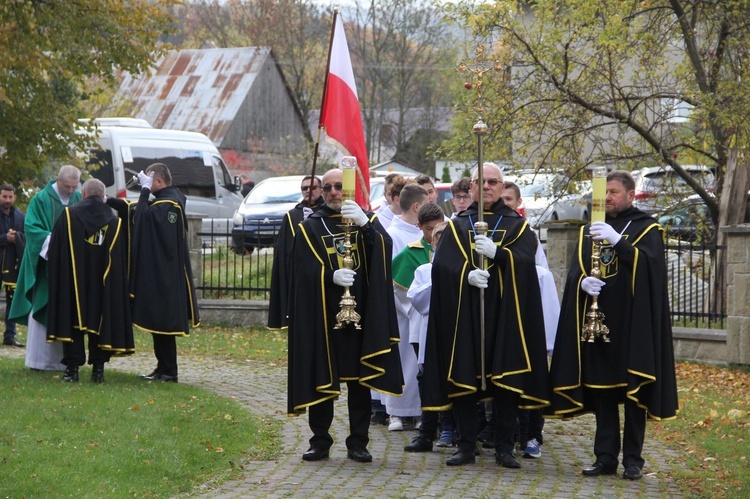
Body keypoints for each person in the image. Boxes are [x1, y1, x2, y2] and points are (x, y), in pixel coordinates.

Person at [549, 170, 678, 480]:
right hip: (599, 325)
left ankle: (633, 460)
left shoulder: (648, 229)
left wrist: (619, 242)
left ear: (631, 195)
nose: (607, 197)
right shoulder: (587, 231)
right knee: (602, 394)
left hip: (633, 326)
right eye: (603, 192)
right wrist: (582, 283)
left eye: (614, 192)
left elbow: (650, 270)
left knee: (634, 397)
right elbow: (574, 272)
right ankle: (605, 457)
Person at [421, 162, 550, 468]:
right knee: (465, 377)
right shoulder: (458, 224)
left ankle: (505, 447)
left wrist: (499, 255)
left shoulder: (517, 226)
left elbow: (525, 265)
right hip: (467, 316)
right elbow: (442, 266)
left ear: (503, 187)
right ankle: (466, 445)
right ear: (473, 187)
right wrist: (465, 274)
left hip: (505, 316)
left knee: (505, 381)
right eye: (483, 181)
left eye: (495, 181)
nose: (489, 186)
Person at [288, 168, 403, 463]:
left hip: (361, 313)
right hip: (324, 316)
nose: (334, 192)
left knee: (359, 381)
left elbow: (384, 251)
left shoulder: (367, 220)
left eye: (340, 186)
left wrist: (367, 226)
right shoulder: (310, 226)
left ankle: (358, 442)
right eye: (327, 188)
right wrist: (328, 275)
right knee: (322, 378)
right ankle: (320, 440)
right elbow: (301, 270)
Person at [107, 162, 199, 382]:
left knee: (164, 323)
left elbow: (144, 219)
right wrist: (110, 201)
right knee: (158, 323)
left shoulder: (171, 205)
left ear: (158, 181)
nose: (146, 185)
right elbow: (137, 211)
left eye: (149, 180)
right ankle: (162, 368)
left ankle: (169, 371)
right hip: (159, 273)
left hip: (166, 276)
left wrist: (145, 191)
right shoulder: (161, 202)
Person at [46, 179, 135, 382]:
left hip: (74, 281)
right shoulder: (115, 222)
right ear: (103, 196)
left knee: (73, 321)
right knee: (101, 322)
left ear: (83, 194)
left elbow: (55, 252)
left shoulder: (68, 216)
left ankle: (72, 371)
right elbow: (122, 259)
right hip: (103, 284)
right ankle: (98, 371)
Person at [500, 180, 560, 459]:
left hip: (528, 312)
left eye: (510, 198)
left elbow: (540, 274)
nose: (506, 202)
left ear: (518, 202)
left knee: (531, 377)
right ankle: (504, 434)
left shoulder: (525, 232)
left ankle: (532, 434)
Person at [10, 165, 82, 371]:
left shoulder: (78, 198)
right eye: (67, 186)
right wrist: (57, 243)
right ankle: (39, 361)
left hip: (70, 267)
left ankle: (64, 361)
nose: (70, 191)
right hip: (45, 265)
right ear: (57, 180)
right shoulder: (41, 199)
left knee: (66, 309)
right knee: (44, 305)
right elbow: (31, 228)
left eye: (74, 186)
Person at [382, 184, 429, 432]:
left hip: (422, 309)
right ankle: (397, 413)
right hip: (403, 310)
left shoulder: (421, 233)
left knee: (418, 362)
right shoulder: (394, 234)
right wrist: (411, 307)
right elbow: (393, 277)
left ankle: (421, 411)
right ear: (416, 206)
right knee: (401, 360)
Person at [268, 175, 324, 330]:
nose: (308, 191)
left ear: (321, 190)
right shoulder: (292, 216)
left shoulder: (328, 213)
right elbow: (284, 250)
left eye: (312, 187)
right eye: (304, 188)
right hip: (300, 276)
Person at [1, 184, 25, 347]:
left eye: (10, 197)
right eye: (4, 196)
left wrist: (17, 237)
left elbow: (26, 234)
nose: (7, 200)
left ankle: (10, 335)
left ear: (14, 197)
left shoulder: (19, 215)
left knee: (12, 299)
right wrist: (4, 238)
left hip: (12, 263)